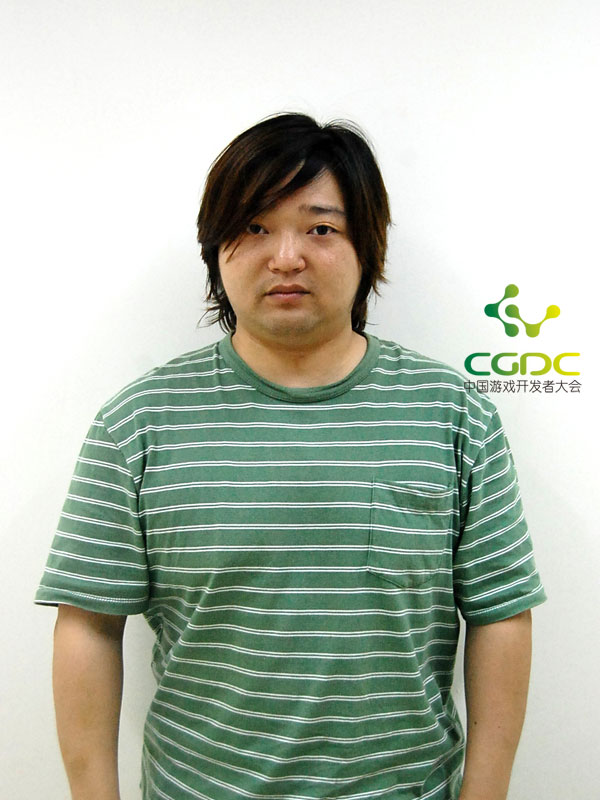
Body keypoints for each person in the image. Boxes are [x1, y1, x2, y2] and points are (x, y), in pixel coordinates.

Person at [36, 112, 546, 800]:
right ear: (215, 249)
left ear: (368, 247)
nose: (285, 257)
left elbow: (500, 613)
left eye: (320, 229)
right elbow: (90, 625)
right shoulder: (138, 423)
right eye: (253, 227)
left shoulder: (453, 414)